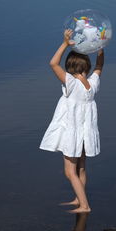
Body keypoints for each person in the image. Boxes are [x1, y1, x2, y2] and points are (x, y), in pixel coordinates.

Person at [39, 29, 104, 214]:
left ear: (70, 68)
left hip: (72, 134)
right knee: (81, 169)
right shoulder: (93, 84)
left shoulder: (71, 83)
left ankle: (85, 206)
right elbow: (100, 65)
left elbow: (53, 63)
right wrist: (101, 48)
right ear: (87, 67)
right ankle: (79, 198)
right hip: (86, 134)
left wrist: (65, 44)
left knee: (70, 172)